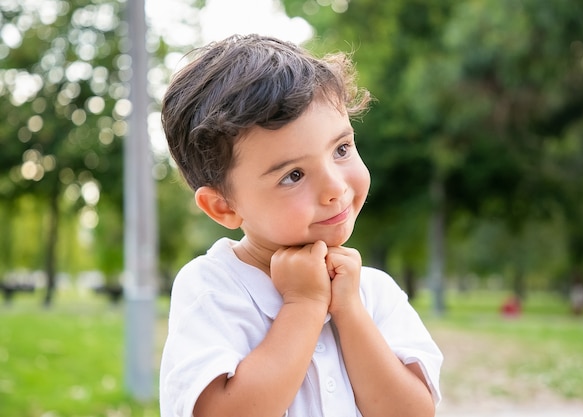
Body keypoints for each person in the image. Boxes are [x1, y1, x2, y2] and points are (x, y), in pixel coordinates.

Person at [159, 34, 443, 417]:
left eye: (341, 149)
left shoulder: (374, 293)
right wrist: (305, 305)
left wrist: (349, 310)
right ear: (223, 206)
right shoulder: (212, 289)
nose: (335, 187)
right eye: (293, 175)